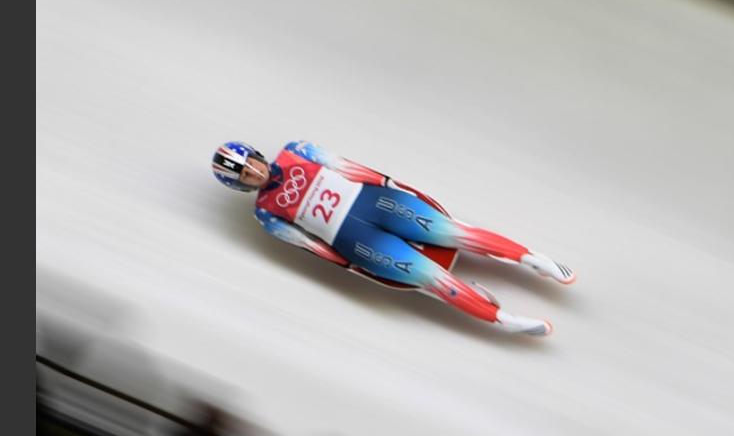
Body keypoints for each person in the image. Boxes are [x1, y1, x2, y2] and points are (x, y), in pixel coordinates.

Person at [211, 141, 575, 335]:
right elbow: (312, 247)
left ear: (258, 155)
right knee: (431, 280)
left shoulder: (296, 151)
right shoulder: (266, 214)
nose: (254, 173)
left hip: (377, 203)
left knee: (453, 232)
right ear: (239, 185)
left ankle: (532, 259)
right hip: (354, 239)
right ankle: (503, 319)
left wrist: (391, 185)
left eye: (251, 164)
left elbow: (348, 167)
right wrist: (353, 264)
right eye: (244, 175)